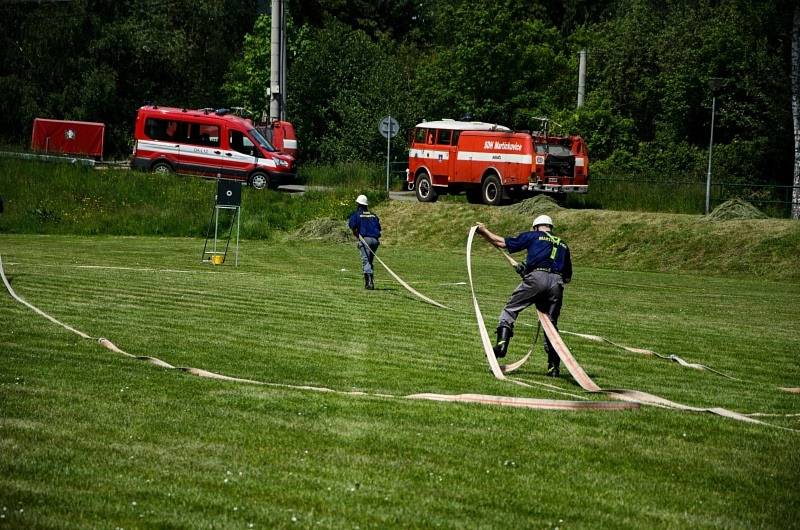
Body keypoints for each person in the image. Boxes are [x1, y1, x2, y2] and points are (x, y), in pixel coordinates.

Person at [476, 214, 572, 377]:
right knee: (551, 326)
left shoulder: (533, 236)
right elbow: (567, 277)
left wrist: (483, 231)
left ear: (536, 227)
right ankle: (553, 367)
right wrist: (532, 271)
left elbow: (501, 242)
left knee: (510, 310)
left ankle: (501, 345)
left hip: (536, 279)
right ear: (550, 227)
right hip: (557, 284)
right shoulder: (563, 244)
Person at [348, 194, 382, 290]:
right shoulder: (373, 215)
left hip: (365, 239)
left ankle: (369, 282)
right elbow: (378, 228)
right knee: (370, 261)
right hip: (375, 240)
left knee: (365, 261)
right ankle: (370, 279)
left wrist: (358, 236)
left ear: (358, 204)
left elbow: (352, 226)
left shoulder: (356, 215)